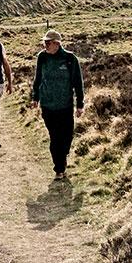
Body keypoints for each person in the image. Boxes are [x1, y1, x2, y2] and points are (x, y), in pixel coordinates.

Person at [28, 29, 84, 180]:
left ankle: (63, 155)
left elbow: (78, 83)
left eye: (48, 42)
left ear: (57, 43)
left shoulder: (70, 59)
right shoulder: (42, 57)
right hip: (47, 105)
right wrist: (35, 98)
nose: (45, 45)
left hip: (65, 105)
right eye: (44, 42)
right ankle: (59, 169)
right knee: (54, 137)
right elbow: (38, 78)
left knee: (66, 136)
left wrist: (80, 104)